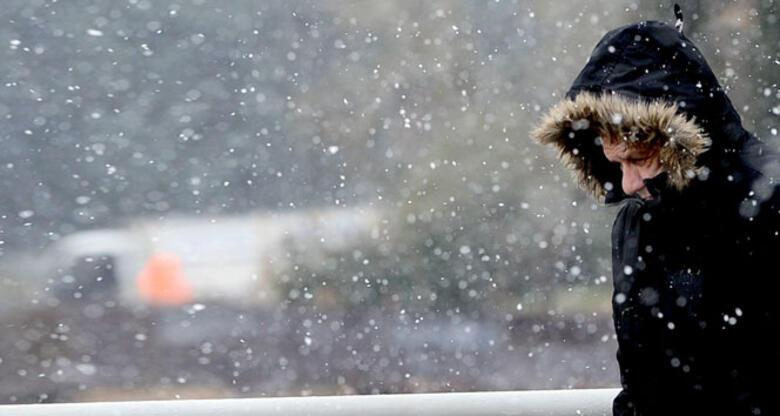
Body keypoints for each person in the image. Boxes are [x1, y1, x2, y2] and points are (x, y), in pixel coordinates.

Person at [531, 9, 780, 416]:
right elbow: (643, 385)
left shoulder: (768, 209)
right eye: (616, 162)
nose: (627, 184)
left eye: (639, 158)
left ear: (680, 137)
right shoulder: (637, 223)